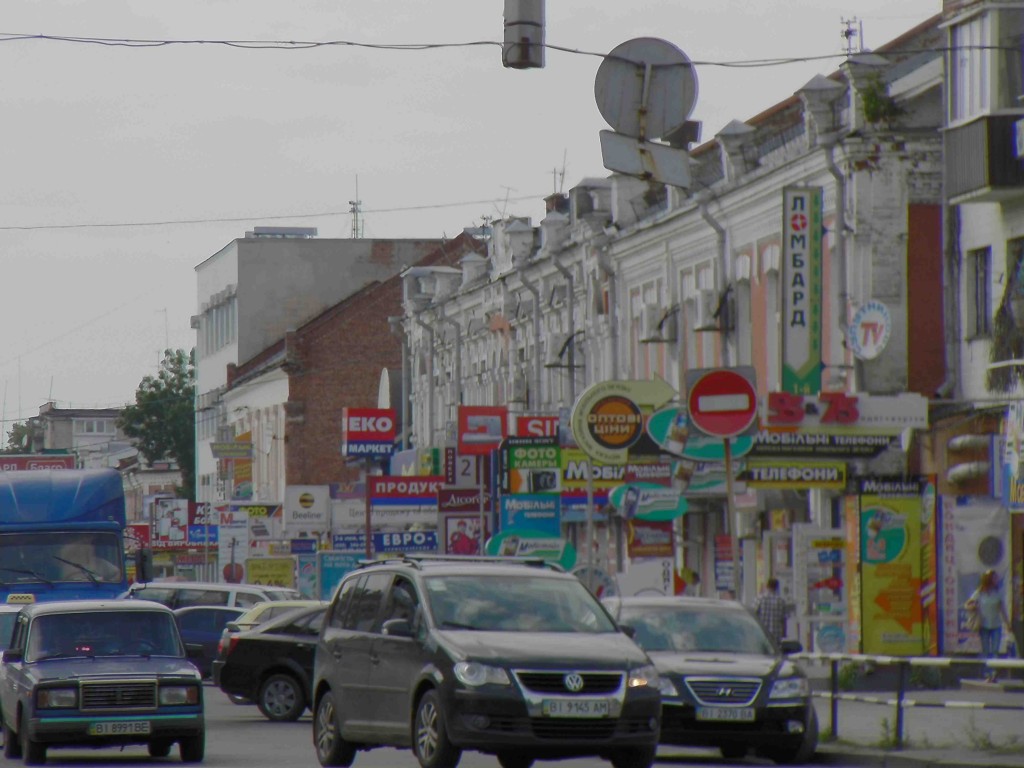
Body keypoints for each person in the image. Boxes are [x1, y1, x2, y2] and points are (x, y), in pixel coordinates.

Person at [966, 569, 1011, 682]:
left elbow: (1002, 609)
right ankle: (987, 675)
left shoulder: (998, 592)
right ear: (989, 579)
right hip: (984, 626)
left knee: (995, 650)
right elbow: (968, 604)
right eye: (994, 578)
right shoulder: (979, 592)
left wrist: (1007, 623)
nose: (997, 580)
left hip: (996, 625)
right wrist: (972, 607)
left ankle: (994, 674)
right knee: (986, 650)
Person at [754, 578, 788, 644]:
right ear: (777, 587)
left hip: (762, 633)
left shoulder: (759, 599)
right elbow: (784, 619)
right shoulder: (781, 601)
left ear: (767, 586)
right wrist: (784, 634)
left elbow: (753, 615)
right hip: (776, 636)